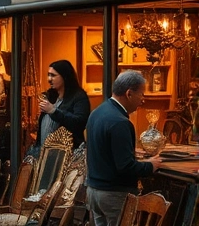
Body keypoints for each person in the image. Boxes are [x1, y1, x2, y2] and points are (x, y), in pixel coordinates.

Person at [86, 70, 163, 226]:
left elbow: (102, 151)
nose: (143, 100)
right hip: (113, 195)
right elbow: (125, 167)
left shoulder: (97, 112)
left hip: (94, 191)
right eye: (141, 94)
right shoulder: (120, 122)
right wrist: (150, 166)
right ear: (129, 93)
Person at [35, 59, 91, 152]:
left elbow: (80, 122)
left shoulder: (78, 96)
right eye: (48, 75)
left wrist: (54, 111)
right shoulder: (51, 96)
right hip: (45, 155)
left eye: (53, 75)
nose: (49, 79)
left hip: (67, 155)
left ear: (65, 77)